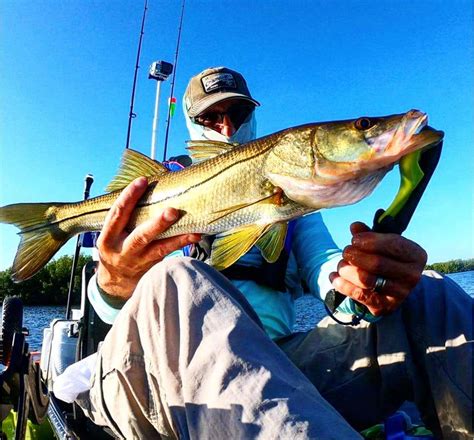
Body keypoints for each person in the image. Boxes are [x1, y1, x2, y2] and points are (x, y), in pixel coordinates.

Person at [77, 67, 473, 439]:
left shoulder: (295, 205)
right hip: (157, 381)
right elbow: (110, 317)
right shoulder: (156, 192)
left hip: (279, 367)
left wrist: (361, 283)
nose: (227, 126)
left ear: (254, 114)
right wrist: (115, 279)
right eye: (210, 118)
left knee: (430, 291)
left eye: (238, 111)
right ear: (192, 125)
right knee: (179, 278)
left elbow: (324, 263)